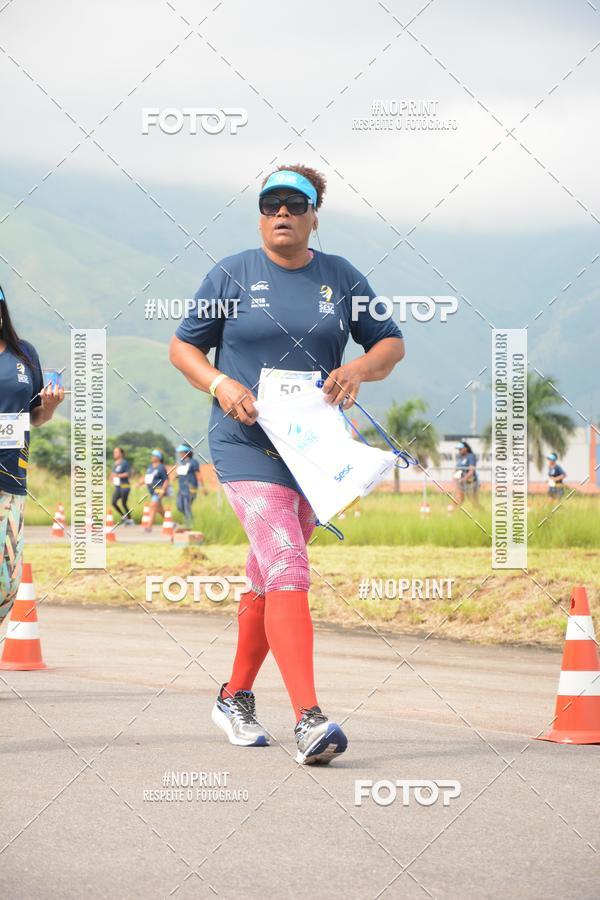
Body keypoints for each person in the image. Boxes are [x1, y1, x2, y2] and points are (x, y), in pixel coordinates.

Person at [170, 164, 405, 764]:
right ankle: (309, 719)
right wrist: (220, 383)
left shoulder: (341, 276)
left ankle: (235, 697)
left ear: (313, 217)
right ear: (259, 217)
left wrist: (357, 368)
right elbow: (183, 346)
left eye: (295, 205)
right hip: (244, 443)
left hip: (313, 451)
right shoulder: (232, 274)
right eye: (271, 204)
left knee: (267, 574)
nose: (282, 214)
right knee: (287, 564)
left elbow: (390, 343)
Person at [0, 283, 64, 620]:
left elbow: (35, 416)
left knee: (7, 581)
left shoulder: (24, 354)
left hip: (11, 477)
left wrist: (50, 406)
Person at [137, 449, 169, 531]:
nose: (152, 457)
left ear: (158, 458)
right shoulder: (150, 467)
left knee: (153, 505)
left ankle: (149, 526)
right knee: (159, 509)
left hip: (158, 490)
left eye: (154, 456)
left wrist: (163, 490)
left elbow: (166, 480)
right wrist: (139, 484)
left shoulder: (161, 467)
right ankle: (170, 522)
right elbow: (147, 478)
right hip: (151, 491)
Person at [175, 444, 205, 529]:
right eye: (180, 452)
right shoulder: (181, 463)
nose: (180, 454)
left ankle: (190, 525)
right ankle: (189, 521)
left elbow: (198, 475)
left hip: (190, 489)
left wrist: (203, 487)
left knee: (186, 506)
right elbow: (181, 474)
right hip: (181, 489)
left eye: (182, 452)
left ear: (187, 453)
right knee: (180, 506)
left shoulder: (193, 462)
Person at [110, 446, 133, 525]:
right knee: (113, 502)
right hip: (118, 487)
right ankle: (124, 517)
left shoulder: (124, 463)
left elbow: (128, 474)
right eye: (114, 452)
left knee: (123, 503)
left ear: (121, 453)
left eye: (116, 452)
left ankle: (130, 520)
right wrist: (112, 477)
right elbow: (113, 474)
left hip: (124, 486)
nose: (114, 454)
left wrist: (118, 475)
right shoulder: (114, 464)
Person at [454, 440, 479, 507]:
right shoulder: (460, 457)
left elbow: (471, 471)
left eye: (461, 449)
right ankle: (452, 512)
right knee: (458, 500)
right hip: (461, 483)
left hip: (470, 482)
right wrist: (455, 478)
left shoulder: (471, 456)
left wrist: (463, 479)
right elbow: (456, 469)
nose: (459, 450)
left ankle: (482, 512)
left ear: (466, 448)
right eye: (458, 449)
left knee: (473, 502)